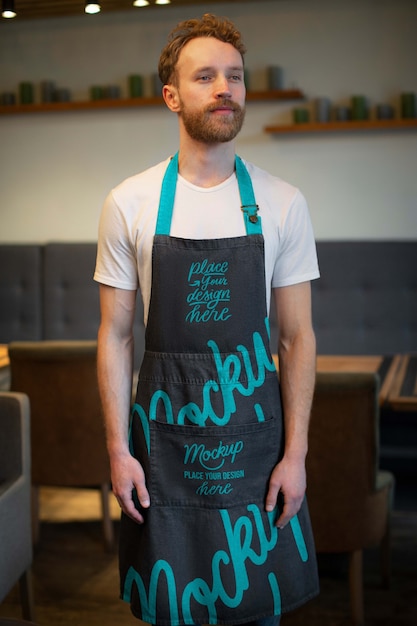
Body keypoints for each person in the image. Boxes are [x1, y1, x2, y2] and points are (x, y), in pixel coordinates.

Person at [95, 13, 320, 626]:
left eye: (236, 77)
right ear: (172, 95)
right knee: (170, 610)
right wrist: (118, 450)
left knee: (256, 611)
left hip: (255, 448)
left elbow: (297, 339)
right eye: (206, 77)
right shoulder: (131, 203)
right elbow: (115, 337)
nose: (226, 88)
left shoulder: (282, 202)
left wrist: (295, 454)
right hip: (163, 447)